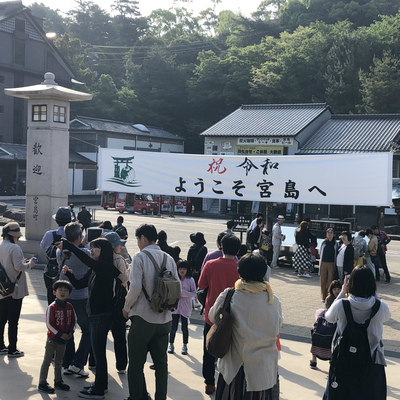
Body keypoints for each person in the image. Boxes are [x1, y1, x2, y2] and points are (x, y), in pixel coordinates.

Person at [209, 253, 283, 400]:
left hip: (235, 369)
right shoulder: (273, 300)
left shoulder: (230, 296)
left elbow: (212, 317)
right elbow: (277, 326)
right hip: (264, 370)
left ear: (240, 272)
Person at [122, 224, 179, 400]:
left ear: (143, 238)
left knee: (136, 363)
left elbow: (135, 288)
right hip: (165, 319)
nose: (138, 243)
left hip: (143, 318)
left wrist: (126, 307)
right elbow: (177, 287)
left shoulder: (140, 257)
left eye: (138, 239)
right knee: (161, 364)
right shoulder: (168, 258)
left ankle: (136, 397)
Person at [60, 238, 120, 399]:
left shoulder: (105, 267)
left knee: (99, 353)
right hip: (95, 315)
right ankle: (101, 384)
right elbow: (80, 285)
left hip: (101, 316)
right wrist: (70, 276)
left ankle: (99, 389)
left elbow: (85, 258)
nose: (91, 250)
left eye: (96, 248)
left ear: (105, 251)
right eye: (91, 247)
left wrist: (70, 247)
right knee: (99, 352)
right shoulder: (95, 268)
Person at [323, 265, 391, 400]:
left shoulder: (341, 304)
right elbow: (387, 317)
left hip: (343, 359)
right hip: (372, 361)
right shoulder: (381, 307)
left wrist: (342, 293)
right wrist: (375, 294)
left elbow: (328, 317)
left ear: (350, 283)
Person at [198, 234, 241, 395]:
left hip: (211, 316)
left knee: (209, 349)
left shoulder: (209, 264)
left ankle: (209, 383)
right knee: (230, 351)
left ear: (221, 247)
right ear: (237, 250)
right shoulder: (239, 267)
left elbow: (201, 285)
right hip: (233, 316)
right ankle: (226, 384)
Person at [58, 222, 91, 378]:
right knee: (88, 330)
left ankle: (67, 363)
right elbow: (88, 259)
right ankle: (78, 363)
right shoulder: (86, 253)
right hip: (81, 297)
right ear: (80, 236)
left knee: (67, 330)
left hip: (65, 296)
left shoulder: (61, 252)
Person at [0, 222, 36, 358]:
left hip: (2, 287)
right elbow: (19, 267)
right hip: (15, 288)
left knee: (2, 319)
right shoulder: (14, 248)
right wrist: (31, 264)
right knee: (13, 321)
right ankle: (12, 348)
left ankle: (1, 345)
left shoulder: (1, 245)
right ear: (13, 235)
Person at [38, 280, 76, 394]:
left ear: (69, 293)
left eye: (65, 290)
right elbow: (49, 324)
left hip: (63, 340)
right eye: (60, 290)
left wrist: (70, 332)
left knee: (59, 361)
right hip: (52, 339)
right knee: (47, 360)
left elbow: (74, 321)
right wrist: (59, 334)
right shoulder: (52, 307)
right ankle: (42, 382)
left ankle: (58, 380)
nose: (63, 292)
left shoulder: (70, 306)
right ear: (54, 292)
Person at [105, 231, 129, 374]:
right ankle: (121, 365)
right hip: (117, 301)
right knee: (119, 336)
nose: (120, 245)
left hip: (104, 300)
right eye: (119, 243)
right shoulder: (119, 259)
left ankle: (93, 361)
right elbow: (124, 279)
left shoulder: (100, 257)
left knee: (99, 335)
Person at [40, 207, 71, 304]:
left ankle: (51, 315)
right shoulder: (73, 234)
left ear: (57, 221)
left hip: (52, 271)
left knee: (51, 296)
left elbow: (43, 246)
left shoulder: (50, 234)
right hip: (68, 270)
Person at [309, 280, 342, 369]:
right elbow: (328, 312)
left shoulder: (343, 298)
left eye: (338, 289)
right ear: (331, 290)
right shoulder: (329, 299)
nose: (337, 291)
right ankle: (314, 359)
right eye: (335, 289)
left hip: (338, 322)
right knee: (316, 334)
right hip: (328, 321)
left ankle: (332, 359)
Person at [168, 260, 196, 356]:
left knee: (184, 328)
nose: (182, 271)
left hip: (185, 307)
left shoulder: (190, 280)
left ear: (187, 270)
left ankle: (185, 345)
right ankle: (171, 344)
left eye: (184, 269)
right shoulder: (175, 279)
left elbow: (194, 293)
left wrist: (184, 293)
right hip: (175, 307)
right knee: (173, 327)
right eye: (180, 269)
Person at [319, 228, 339, 302]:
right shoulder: (324, 242)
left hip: (331, 263)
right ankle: (323, 296)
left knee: (330, 280)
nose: (329, 234)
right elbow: (320, 252)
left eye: (331, 233)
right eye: (328, 233)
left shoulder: (336, 244)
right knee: (323, 280)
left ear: (334, 234)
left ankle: (329, 295)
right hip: (324, 262)